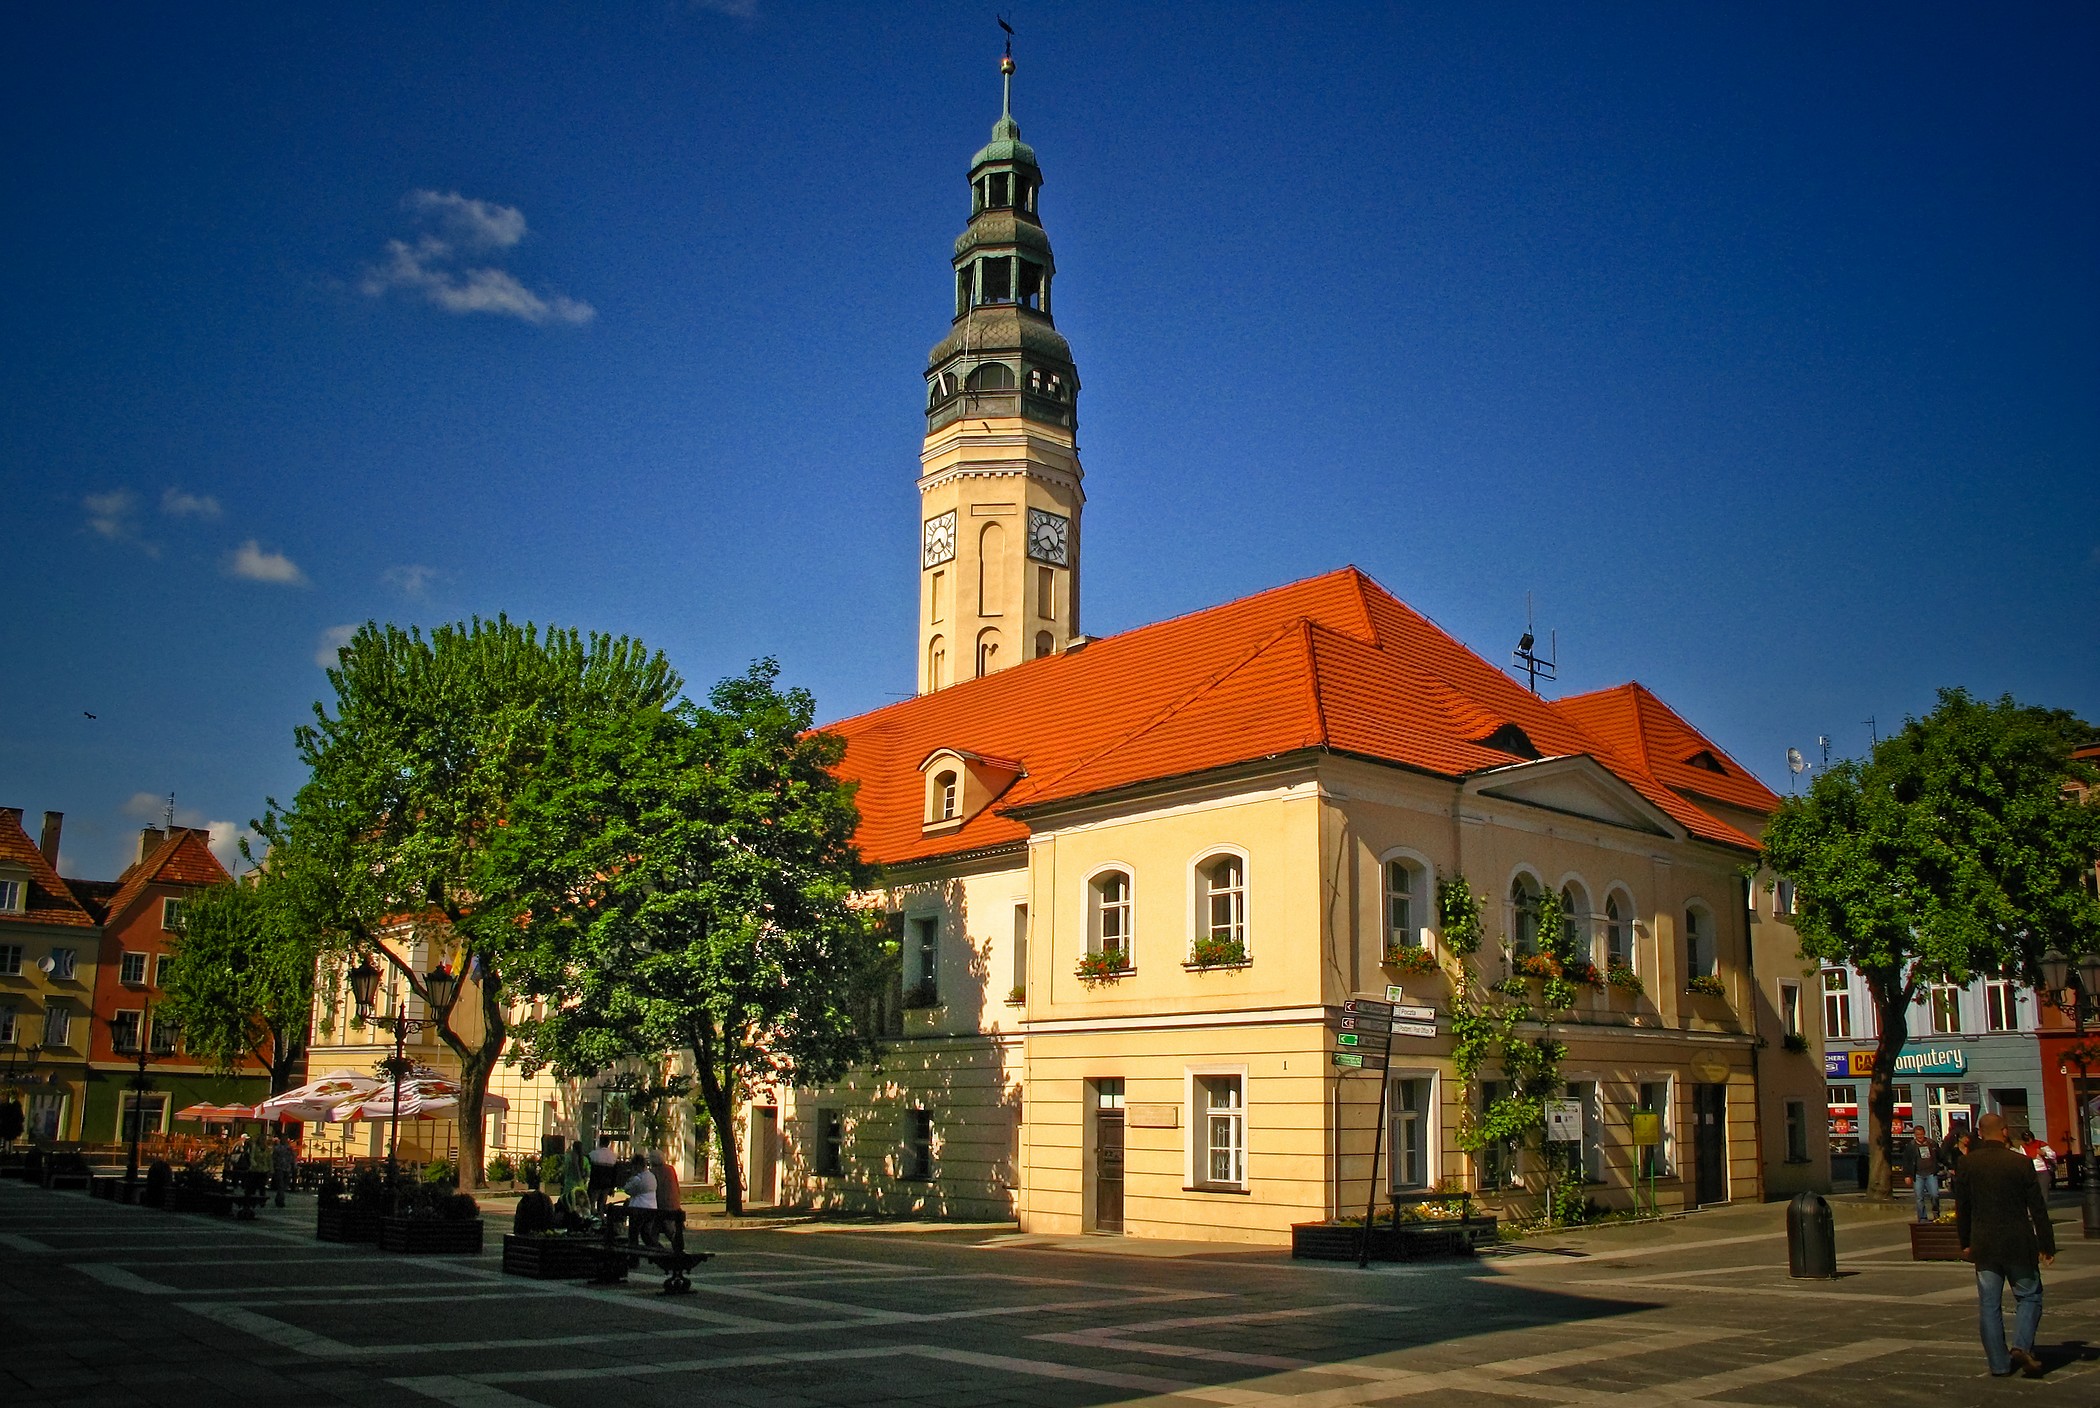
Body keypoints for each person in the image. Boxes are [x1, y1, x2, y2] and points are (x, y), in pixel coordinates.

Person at [1956, 1112, 2056, 1378]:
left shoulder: (1967, 1165)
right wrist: (2047, 1244)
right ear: (2004, 1131)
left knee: (1989, 1304)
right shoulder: (2021, 1163)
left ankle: (1999, 1365)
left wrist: (1965, 1241)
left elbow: (1962, 1207)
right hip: (2017, 1242)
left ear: (1979, 1132)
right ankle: (2021, 1345)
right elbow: (2038, 1208)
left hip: (1984, 1243)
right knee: (2029, 1295)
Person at [646, 1150, 681, 1249]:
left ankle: (659, 1249)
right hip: (674, 1203)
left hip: (662, 1206)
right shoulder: (671, 1169)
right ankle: (665, 1247)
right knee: (663, 1227)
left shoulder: (653, 1173)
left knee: (654, 1228)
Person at [622, 1154, 658, 1248]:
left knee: (633, 1234)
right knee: (646, 1234)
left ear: (637, 1166)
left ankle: (634, 1257)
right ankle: (656, 1249)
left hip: (638, 1209)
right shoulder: (652, 1177)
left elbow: (627, 1189)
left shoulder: (638, 1179)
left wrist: (631, 1177)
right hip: (651, 1208)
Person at [1912, 1126, 1940, 1222]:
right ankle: (1923, 1217)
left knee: (1934, 1194)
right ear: (1915, 1135)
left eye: (1921, 1134)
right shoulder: (1911, 1146)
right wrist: (1907, 1174)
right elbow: (1907, 1160)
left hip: (1930, 1173)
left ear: (1924, 1133)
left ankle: (1936, 1214)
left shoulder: (1931, 1144)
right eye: (1917, 1134)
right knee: (1919, 1197)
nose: (1920, 1136)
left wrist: (1949, 1166)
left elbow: (1940, 1155)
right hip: (1918, 1174)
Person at [587, 1134, 620, 1213]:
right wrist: (612, 1187)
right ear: (608, 1143)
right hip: (607, 1185)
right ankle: (601, 1219)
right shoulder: (613, 1157)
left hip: (595, 1184)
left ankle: (592, 1220)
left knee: (591, 1204)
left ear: (599, 1142)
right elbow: (615, 1174)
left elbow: (588, 1169)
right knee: (601, 1205)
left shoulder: (593, 1155)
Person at [270, 1132, 297, 1209]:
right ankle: (281, 1200)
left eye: (286, 1138)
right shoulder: (277, 1147)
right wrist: (272, 1167)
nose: (285, 1139)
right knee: (281, 1184)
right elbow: (273, 1158)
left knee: (284, 1185)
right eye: (284, 1138)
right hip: (279, 1168)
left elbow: (293, 1157)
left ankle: (278, 1198)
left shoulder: (289, 1148)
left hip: (287, 1168)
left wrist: (294, 1165)